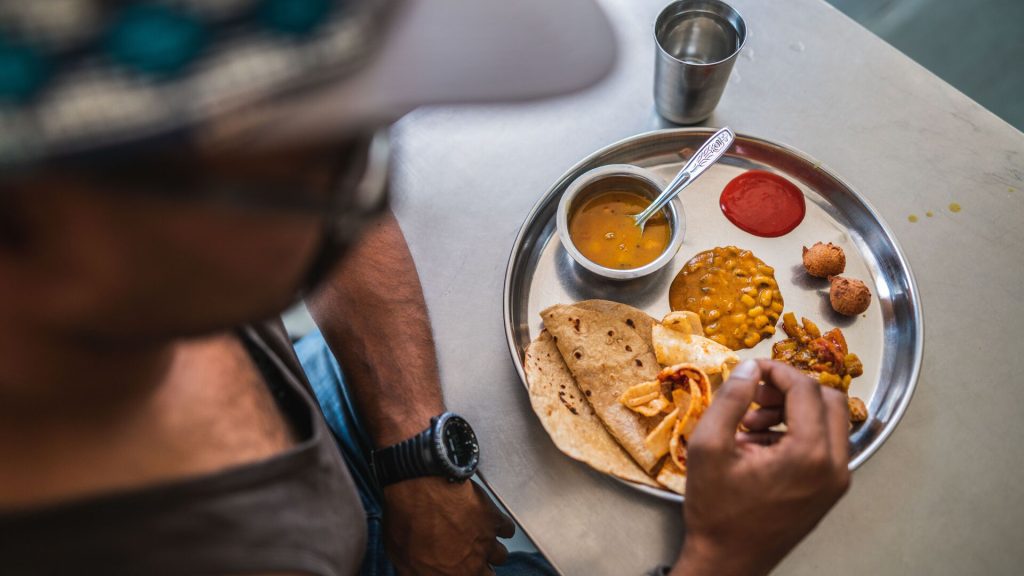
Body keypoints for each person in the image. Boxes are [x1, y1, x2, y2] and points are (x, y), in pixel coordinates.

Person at [0, 1, 849, 575]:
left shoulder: (139, 281)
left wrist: (412, 456)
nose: (371, 193)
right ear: (42, 226)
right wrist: (720, 558)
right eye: (329, 158)